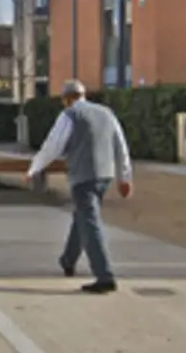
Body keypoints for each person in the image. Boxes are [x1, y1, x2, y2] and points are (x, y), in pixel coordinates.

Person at [26, 79, 134, 294]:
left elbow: (52, 146)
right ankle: (68, 260)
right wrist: (125, 177)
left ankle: (104, 276)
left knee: (90, 222)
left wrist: (34, 169)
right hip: (105, 174)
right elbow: (120, 145)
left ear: (66, 99)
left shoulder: (70, 115)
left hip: (83, 176)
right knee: (83, 217)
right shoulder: (106, 113)